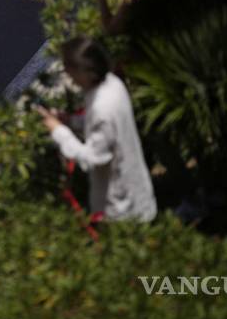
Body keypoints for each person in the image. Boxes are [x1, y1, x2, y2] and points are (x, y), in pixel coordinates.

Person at [35, 36, 157, 222]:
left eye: (70, 68)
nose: (67, 74)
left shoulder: (102, 107)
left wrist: (58, 131)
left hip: (120, 205)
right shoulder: (111, 83)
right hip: (133, 186)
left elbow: (92, 158)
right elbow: (103, 127)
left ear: (88, 71)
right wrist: (70, 121)